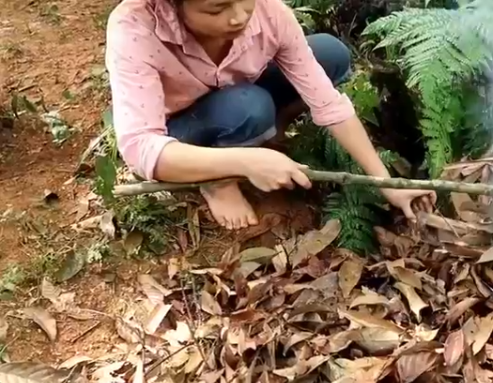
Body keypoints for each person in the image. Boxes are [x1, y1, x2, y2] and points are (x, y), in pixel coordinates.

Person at [105, 0, 436, 230]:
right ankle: (217, 182)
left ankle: (265, 131)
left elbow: (329, 103)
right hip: (183, 128)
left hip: (241, 90)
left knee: (329, 54)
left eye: (244, 1)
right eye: (216, 8)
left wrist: (388, 184)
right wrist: (245, 163)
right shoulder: (136, 26)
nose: (238, 17)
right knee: (249, 107)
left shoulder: (267, 12)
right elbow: (139, 147)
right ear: (172, 5)